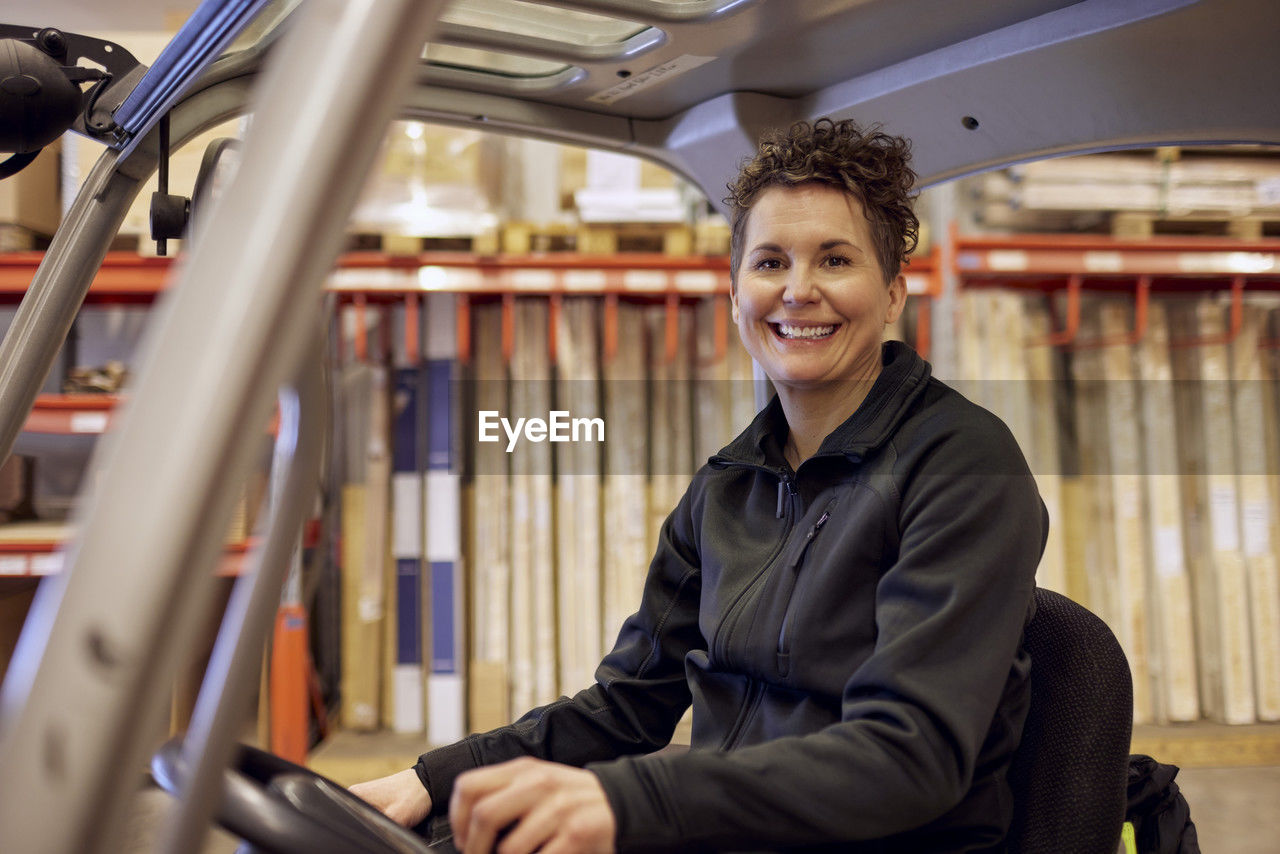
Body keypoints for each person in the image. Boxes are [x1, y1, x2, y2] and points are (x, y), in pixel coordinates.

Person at [352, 117, 1047, 853]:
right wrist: (439, 779)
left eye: (836, 261)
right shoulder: (729, 486)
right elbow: (628, 705)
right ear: (736, 290)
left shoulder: (963, 465)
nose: (799, 291)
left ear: (894, 291)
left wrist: (633, 800)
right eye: (771, 262)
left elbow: (911, 756)